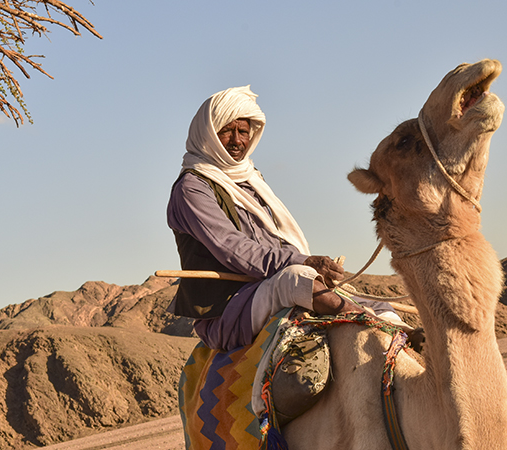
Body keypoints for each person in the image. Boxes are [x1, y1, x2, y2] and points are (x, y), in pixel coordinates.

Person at [166, 86, 403, 351]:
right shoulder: (192, 188)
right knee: (297, 280)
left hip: (267, 286)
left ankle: (401, 337)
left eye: (243, 132)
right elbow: (234, 249)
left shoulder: (250, 179)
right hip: (230, 308)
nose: (236, 141)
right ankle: (377, 331)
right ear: (208, 134)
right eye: (226, 131)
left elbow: (275, 241)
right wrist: (305, 262)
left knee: (376, 302)